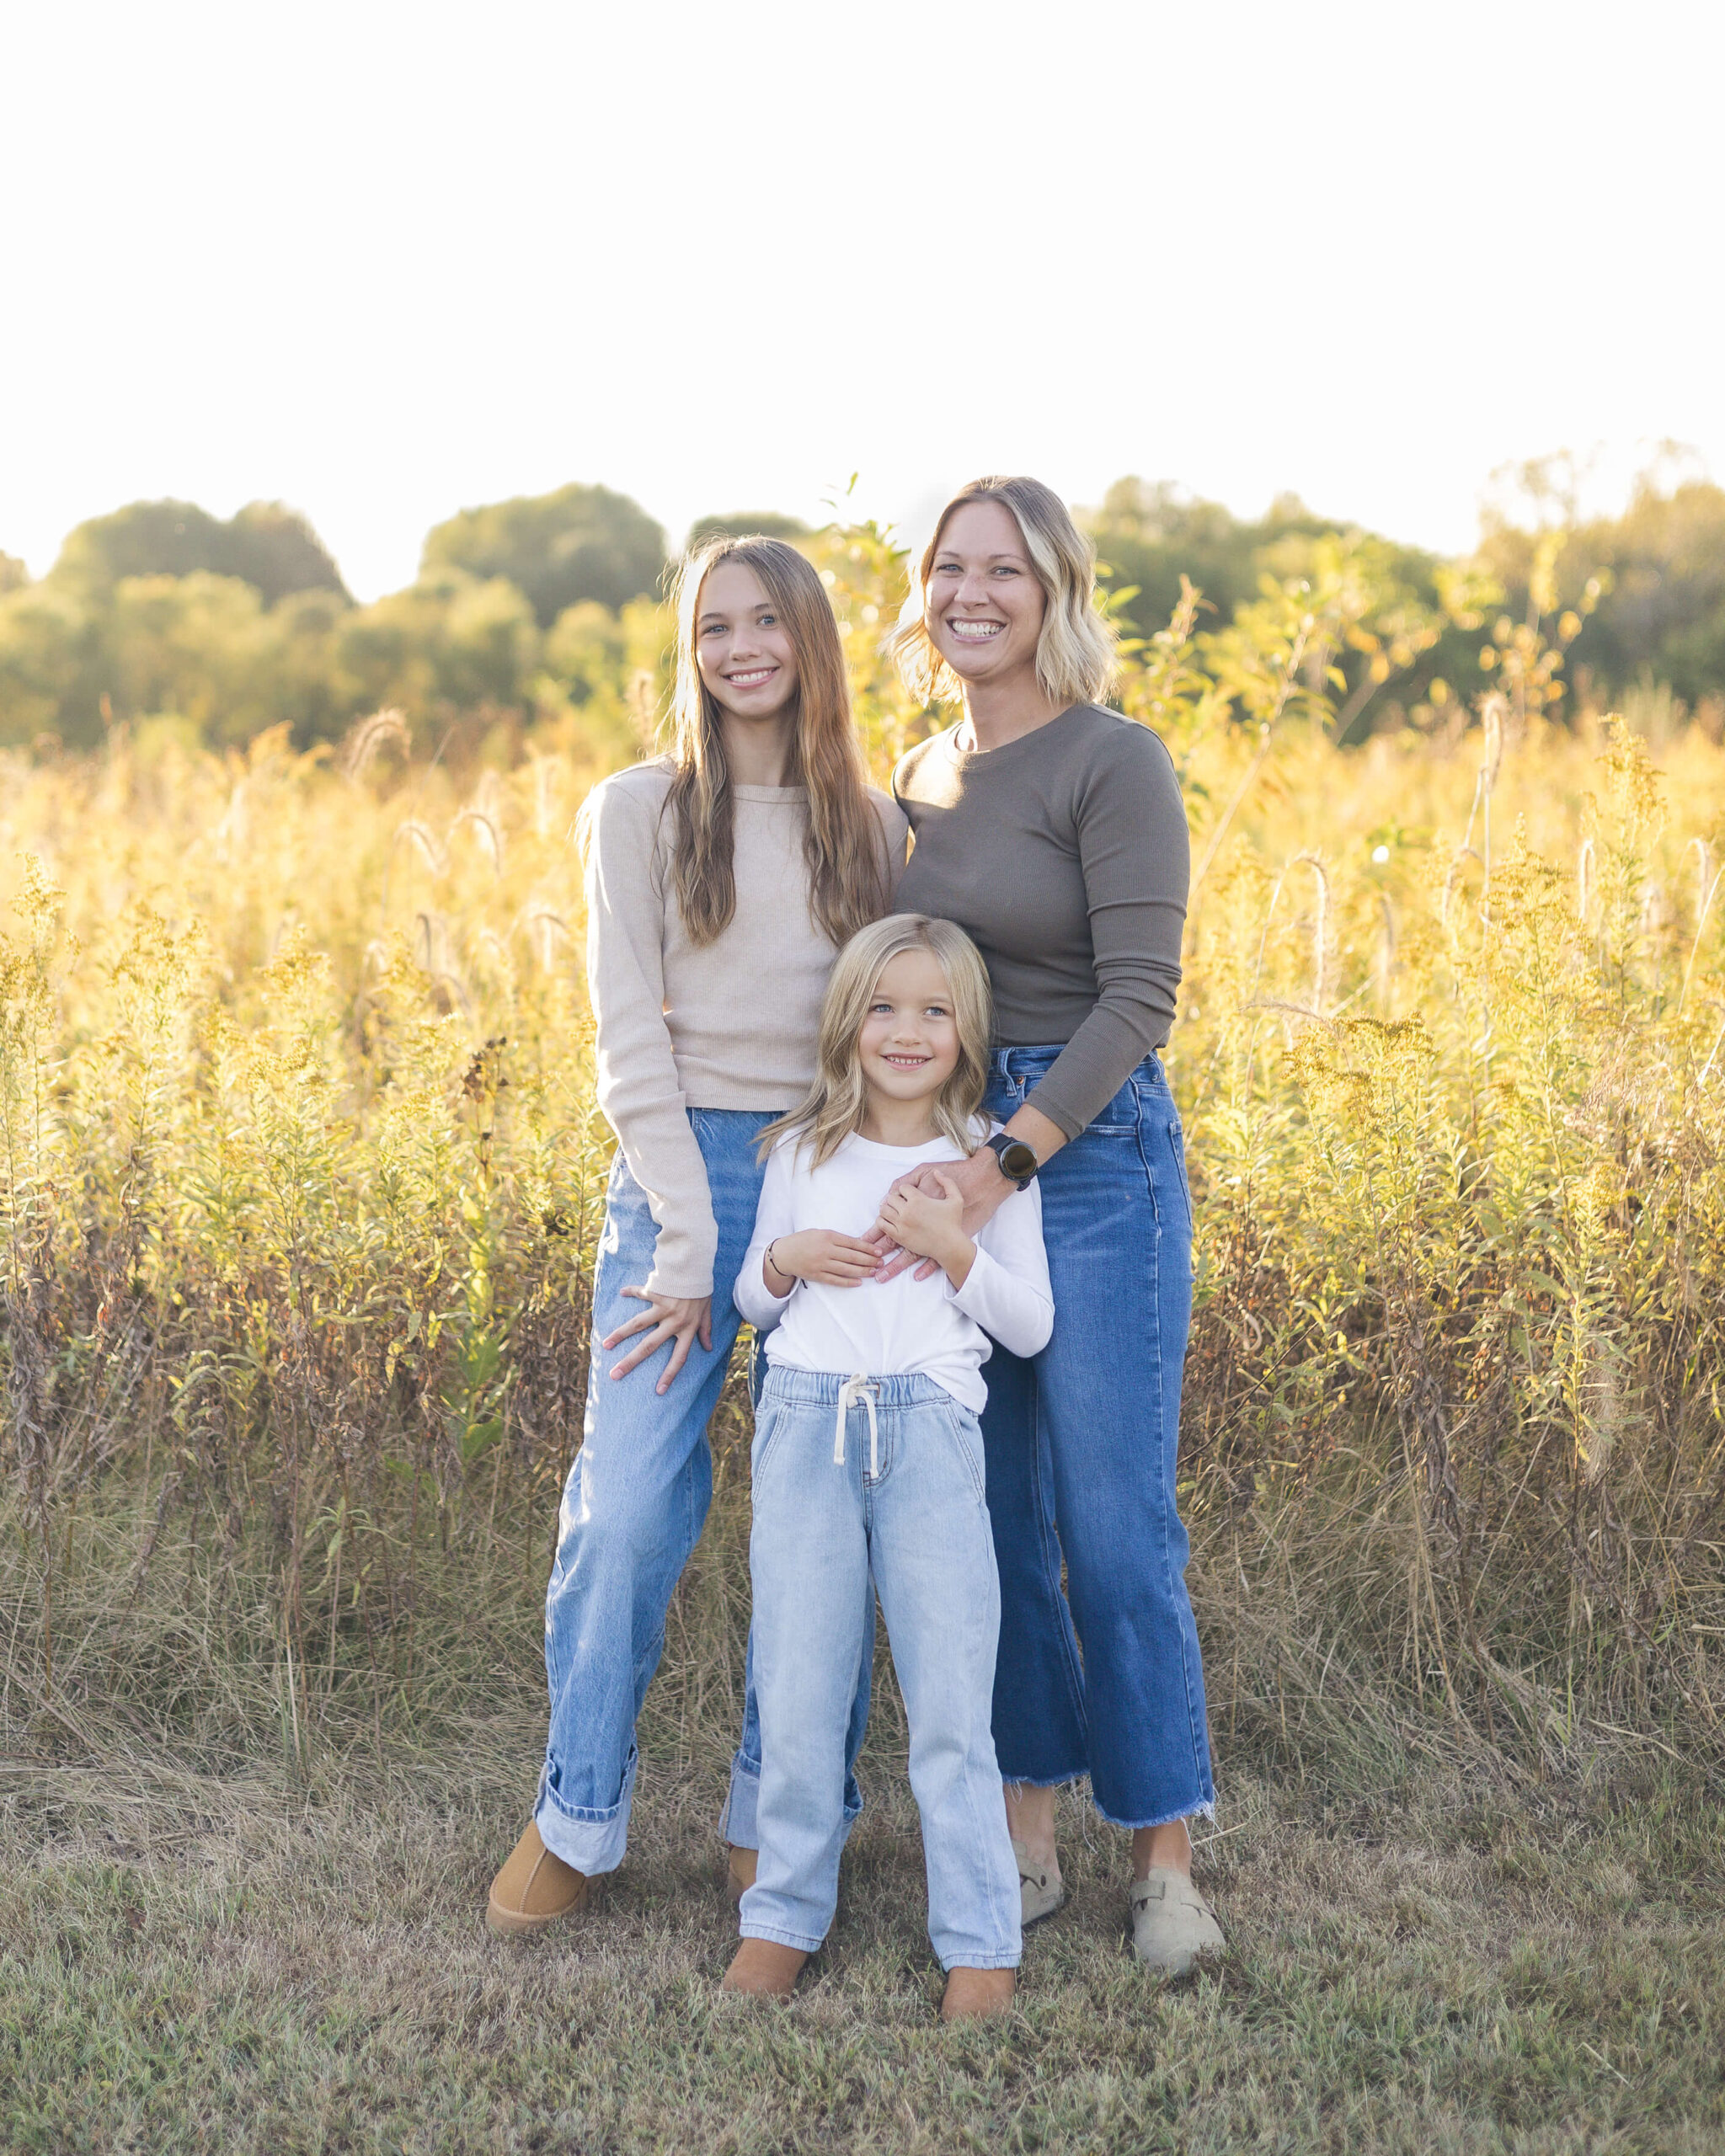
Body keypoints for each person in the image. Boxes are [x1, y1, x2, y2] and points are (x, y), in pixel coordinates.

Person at [487, 536, 905, 1935]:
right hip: (678, 1179)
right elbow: (625, 1040)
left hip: (825, 1177)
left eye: (765, 621)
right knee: (630, 1512)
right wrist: (683, 1229)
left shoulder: (875, 821)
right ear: (692, 650)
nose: (740, 648)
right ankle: (578, 1809)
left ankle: (773, 1810)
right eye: (713, 626)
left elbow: (890, 1038)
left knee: (821, 1518)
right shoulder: (638, 809)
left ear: (810, 640)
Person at [877, 475, 1225, 1974]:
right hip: (952, 1148)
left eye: (1002, 571)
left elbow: (1140, 1003)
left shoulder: (1112, 760)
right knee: (991, 1519)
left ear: (1055, 591)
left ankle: (1164, 1863)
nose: (971, 593)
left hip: (1083, 1165)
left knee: (1113, 1525)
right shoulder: (918, 773)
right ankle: (1023, 1839)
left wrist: (1003, 1163)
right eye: (948, 568)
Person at [722, 915, 1051, 2020]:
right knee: (801, 1693)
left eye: (934, 1011)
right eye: (883, 1007)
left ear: (967, 1030)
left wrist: (957, 1249)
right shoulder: (804, 1150)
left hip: (928, 1436)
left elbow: (1032, 1327)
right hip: (808, 1427)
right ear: (848, 1020)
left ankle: (980, 1943)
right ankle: (780, 1921)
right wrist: (785, 1259)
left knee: (952, 1708)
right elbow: (753, 1304)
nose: (906, 1032)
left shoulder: (989, 1165)